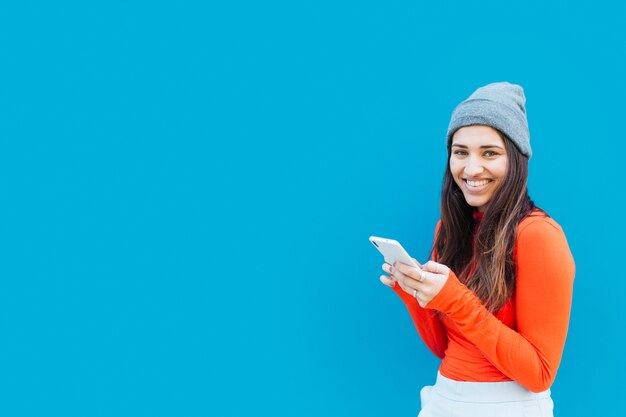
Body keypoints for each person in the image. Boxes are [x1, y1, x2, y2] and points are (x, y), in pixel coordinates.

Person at [379, 82, 575, 417]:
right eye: (460, 152)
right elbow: (445, 348)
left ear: (516, 159)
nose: (471, 169)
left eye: (489, 153)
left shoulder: (539, 235)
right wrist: (414, 293)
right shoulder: (451, 229)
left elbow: (540, 373)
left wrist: (455, 299)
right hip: (445, 400)